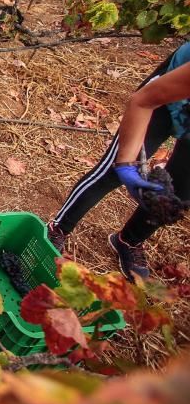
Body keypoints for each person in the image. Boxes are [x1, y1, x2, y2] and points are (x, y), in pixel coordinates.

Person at [48, 42, 190, 281]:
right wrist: (125, 164)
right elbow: (143, 101)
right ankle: (59, 227)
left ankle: (129, 240)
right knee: (113, 169)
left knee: (177, 196)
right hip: (165, 96)